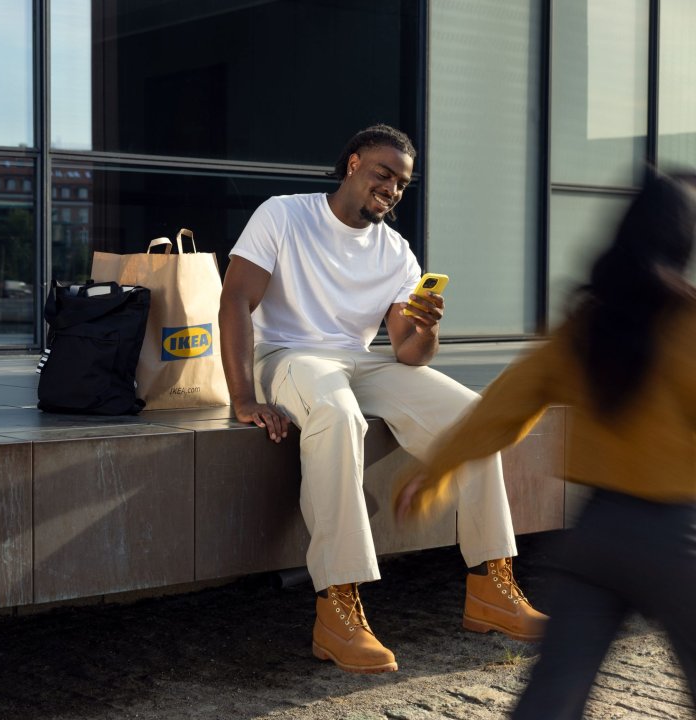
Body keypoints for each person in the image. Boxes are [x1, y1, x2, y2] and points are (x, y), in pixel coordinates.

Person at [218, 124, 547, 675]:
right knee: (338, 413)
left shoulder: (395, 252)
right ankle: (337, 608)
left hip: (361, 359)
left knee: (472, 417)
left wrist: (428, 329)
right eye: (384, 173)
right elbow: (235, 301)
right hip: (288, 355)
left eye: (402, 183)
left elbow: (409, 353)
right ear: (352, 164)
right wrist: (242, 398)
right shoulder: (283, 214)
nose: (392, 189)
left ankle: (492, 587)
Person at [394, 171, 696, 716]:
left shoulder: (585, 325)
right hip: (679, 539)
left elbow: (501, 409)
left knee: (551, 699)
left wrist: (434, 470)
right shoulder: (687, 322)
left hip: (596, 537)